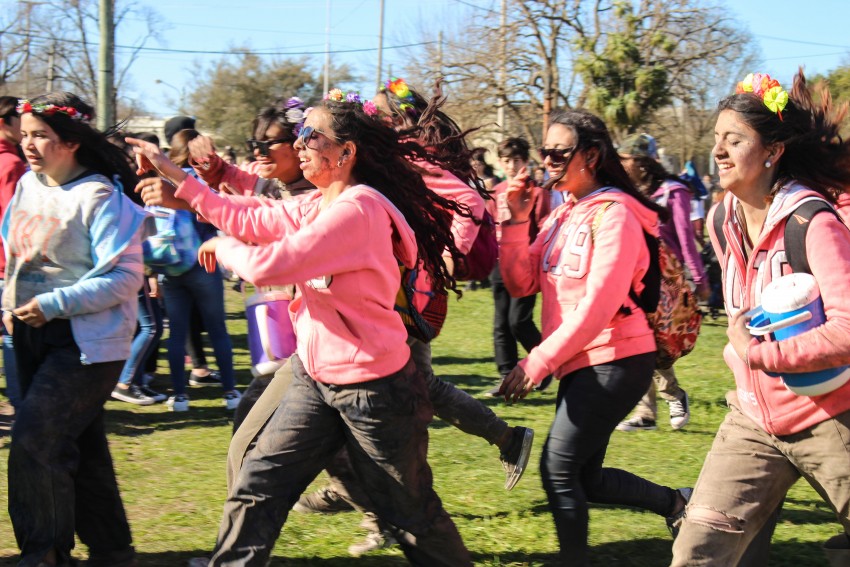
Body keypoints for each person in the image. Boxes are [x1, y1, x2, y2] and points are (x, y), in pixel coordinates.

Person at [128, 89, 474, 566]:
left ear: (346, 152)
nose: (301, 142)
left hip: (375, 391)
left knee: (412, 515)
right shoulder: (321, 201)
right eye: (300, 133)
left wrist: (223, 247)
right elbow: (253, 214)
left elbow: (275, 263)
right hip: (316, 378)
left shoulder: (360, 209)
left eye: (311, 134)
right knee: (257, 488)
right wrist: (176, 175)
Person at [672, 70, 850, 566]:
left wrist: (760, 354)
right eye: (716, 140)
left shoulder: (812, 224)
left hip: (830, 417)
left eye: (735, 140)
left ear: (772, 151)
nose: (719, 152)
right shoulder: (721, 219)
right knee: (696, 553)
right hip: (752, 420)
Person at [497, 108, 688, 566]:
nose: (547, 160)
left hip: (618, 358)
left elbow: (599, 305)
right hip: (583, 360)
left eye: (559, 152)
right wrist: (515, 221)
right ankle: (678, 503)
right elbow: (521, 282)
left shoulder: (617, 215)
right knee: (586, 477)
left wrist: (535, 362)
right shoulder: (564, 214)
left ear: (592, 154)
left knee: (558, 469)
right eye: (545, 151)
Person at [5, 92, 154, 567]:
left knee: (35, 440)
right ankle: (113, 550)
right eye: (25, 135)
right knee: (81, 447)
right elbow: (14, 254)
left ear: (70, 141)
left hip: (88, 345)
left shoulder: (100, 196)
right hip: (29, 334)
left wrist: (52, 303)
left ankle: (44, 552)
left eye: (40, 137)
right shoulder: (29, 184)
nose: (28, 145)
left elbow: (126, 277)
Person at [616, 132, 708, 432]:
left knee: (658, 345)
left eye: (625, 158)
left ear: (641, 162)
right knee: (637, 342)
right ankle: (646, 414)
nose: (620, 163)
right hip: (634, 275)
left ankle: (673, 395)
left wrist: (698, 277)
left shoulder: (673, 191)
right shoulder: (626, 191)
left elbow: (686, 238)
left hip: (667, 279)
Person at [159, 128, 239, 412]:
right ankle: (230, 392)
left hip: (170, 266)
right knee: (217, 329)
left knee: (177, 333)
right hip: (204, 263)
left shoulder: (163, 178)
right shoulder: (199, 181)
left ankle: (179, 396)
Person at [487, 136, 549, 395]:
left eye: (516, 160)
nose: (511, 165)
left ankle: (544, 367)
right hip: (498, 263)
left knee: (518, 321)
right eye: (506, 160)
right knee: (501, 323)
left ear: (525, 161)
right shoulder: (495, 192)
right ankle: (506, 376)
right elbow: (489, 225)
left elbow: (544, 226)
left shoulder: (537, 191)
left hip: (525, 264)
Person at [0, 95, 25, 409]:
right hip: (7, 264)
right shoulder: (12, 163)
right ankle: (22, 406)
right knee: (12, 337)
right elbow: (15, 219)